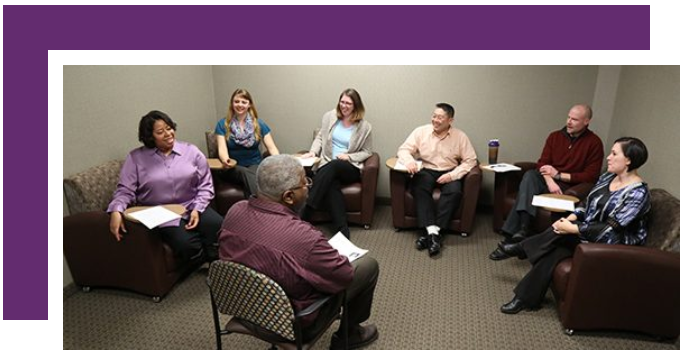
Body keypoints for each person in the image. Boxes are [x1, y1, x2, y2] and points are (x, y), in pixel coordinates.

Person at [218, 155, 380, 349]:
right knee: (368, 266)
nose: (309, 187)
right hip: (293, 321)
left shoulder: (235, 211)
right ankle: (349, 335)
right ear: (288, 196)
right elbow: (343, 277)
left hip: (245, 308)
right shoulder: (305, 238)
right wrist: (335, 257)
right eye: (305, 182)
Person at [496, 137, 650, 314]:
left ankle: (523, 248)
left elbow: (612, 228)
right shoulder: (608, 177)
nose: (608, 157)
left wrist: (574, 228)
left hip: (614, 245)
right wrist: (570, 218)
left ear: (629, 160)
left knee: (561, 238)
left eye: (614, 153)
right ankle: (524, 298)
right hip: (589, 234)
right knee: (554, 251)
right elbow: (586, 204)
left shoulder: (637, 193)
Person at [489, 104, 604, 260]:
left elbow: (590, 176)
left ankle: (512, 236)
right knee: (530, 175)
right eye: (568, 117)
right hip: (548, 180)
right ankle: (523, 228)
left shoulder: (594, 143)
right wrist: (550, 180)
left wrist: (559, 175)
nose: (569, 121)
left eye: (574, 119)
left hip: (569, 186)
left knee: (529, 185)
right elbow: (542, 163)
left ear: (586, 121)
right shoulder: (555, 136)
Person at [108, 110, 223, 263]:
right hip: (161, 213)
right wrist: (116, 210)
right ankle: (202, 259)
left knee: (219, 226)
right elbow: (125, 190)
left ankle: (215, 259)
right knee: (186, 244)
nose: (168, 134)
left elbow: (205, 185)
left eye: (169, 128)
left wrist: (197, 208)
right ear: (150, 136)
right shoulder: (136, 158)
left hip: (192, 204)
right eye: (160, 132)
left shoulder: (191, 151)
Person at [396, 103, 477, 257]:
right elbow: (404, 150)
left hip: (449, 170)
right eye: (434, 116)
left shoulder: (460, 136)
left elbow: (470, 160)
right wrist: (409, 161)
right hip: (426, 169)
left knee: (454, 192)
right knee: (419, 187)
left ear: (450, 120)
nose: (435, 120)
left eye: (440, 117)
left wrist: (452, 175)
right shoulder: (421, 131)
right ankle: (434, 235)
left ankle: (431, 235)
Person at [299, 88, 373, 239]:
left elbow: (367, 152)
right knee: (331, 183)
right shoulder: (329, 117)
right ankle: (343, 232)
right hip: (328, 165)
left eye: (348, 103)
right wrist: (313, 152)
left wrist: (349, 156)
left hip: (349, 167)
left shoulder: (365, 127)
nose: (344, 106)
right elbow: (320, 137)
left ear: (356, 106)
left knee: (334, 165)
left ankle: (306, 211)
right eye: (342, 102)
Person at [214, 88, 280, 198]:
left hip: (254, 164)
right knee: (245, 172)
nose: (240, 105)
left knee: (253, 174)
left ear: (249, 104)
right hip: (232, 167)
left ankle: (252, 206)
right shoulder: (222, 124)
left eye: (244, 102)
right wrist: (226, 160)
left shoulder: (259, 124)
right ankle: (263, 203)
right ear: (232, 103)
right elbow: (222, 148)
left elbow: (272, 148)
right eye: (236, 101)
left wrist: (279, 163)